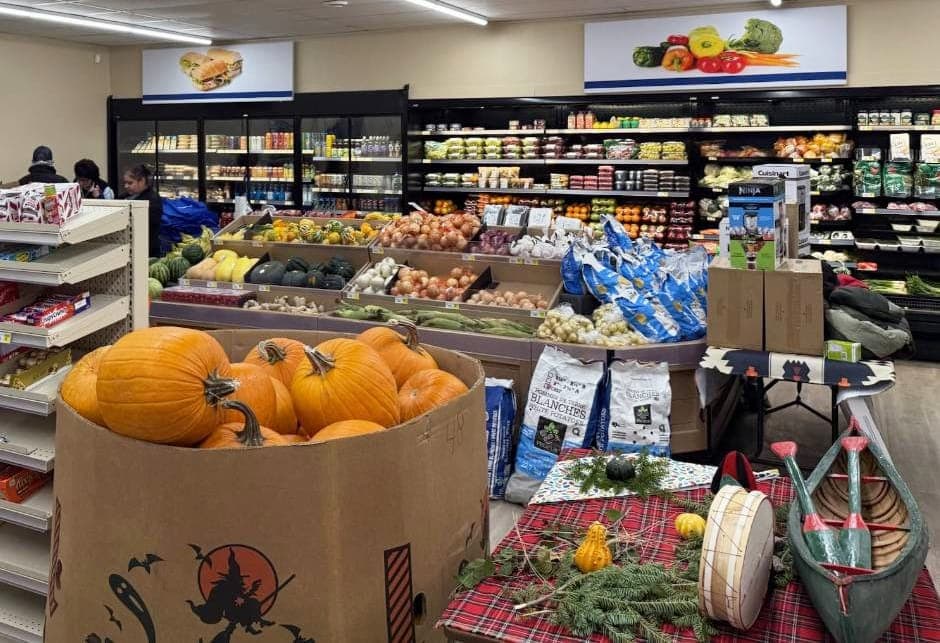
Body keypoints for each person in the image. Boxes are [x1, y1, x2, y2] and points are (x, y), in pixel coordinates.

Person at [122, 165, 163, 257]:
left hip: (147, 249)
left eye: (130, 183)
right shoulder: (125, 196)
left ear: (142, 181)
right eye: (125, 183)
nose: (126, 186)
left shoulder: (152, 200)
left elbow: (150, 223)